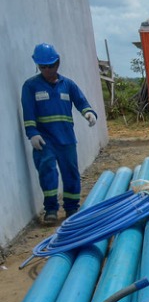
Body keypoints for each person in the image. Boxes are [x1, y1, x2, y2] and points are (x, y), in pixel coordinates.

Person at [21, 43, 98, 225]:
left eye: (51, 65)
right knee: (47, 172)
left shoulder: (67, 85)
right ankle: (51, 209)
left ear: (58, 63)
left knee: (70, 172)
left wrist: (89, 113)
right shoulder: (31, 86)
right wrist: (32, 133)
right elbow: (28, 112)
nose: (47, 70)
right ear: (38, 66)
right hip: (45, 140)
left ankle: (71, 207)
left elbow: (81, 102)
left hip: (66, 138)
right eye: (43, 67)